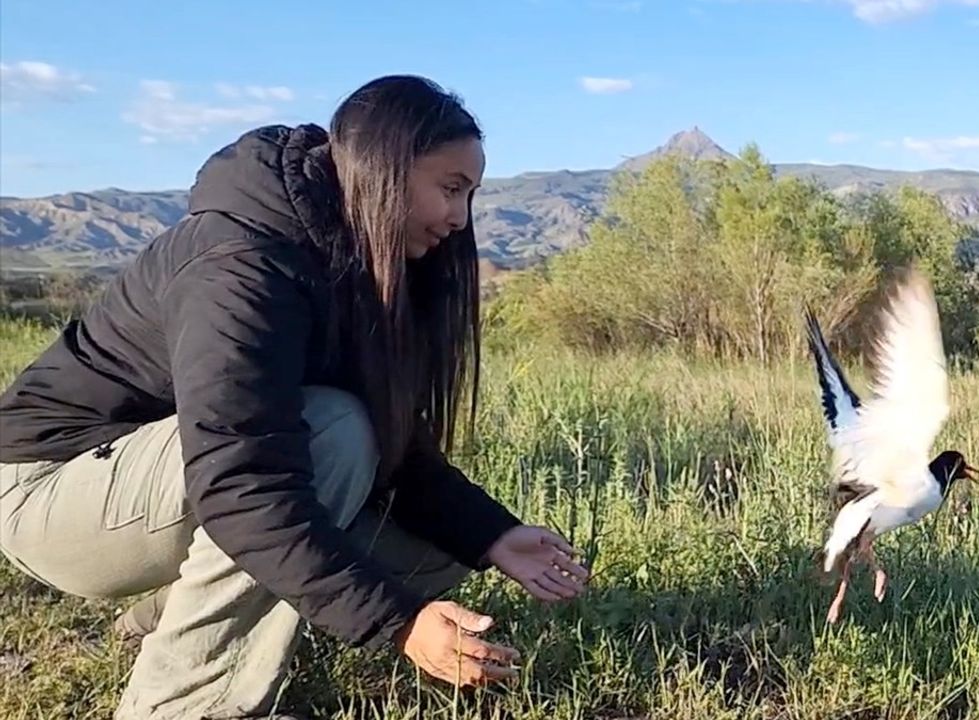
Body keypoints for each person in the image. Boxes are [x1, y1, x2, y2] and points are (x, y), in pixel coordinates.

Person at [0, 74, 590, 720]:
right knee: (330, 432)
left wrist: (492, 535)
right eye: (451, 189)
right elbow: (242, 483)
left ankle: (166, 615)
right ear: (384, 169)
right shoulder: (241, 262)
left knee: (427, 555)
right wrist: (398, 622)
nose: (460, 218)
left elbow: (395, 446)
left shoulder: (351, 260)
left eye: (469, 195)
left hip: (163, 481)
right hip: (45, 493)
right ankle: (185, 706)